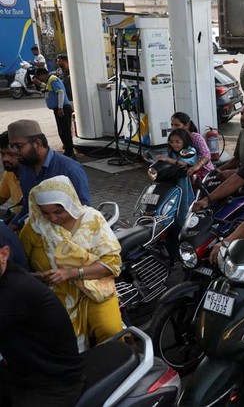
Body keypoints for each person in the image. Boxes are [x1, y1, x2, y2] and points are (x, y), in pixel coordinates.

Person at [20, 176, 124, 352]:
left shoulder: (92, 220)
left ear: (70, 203)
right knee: (58, 339)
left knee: (110, 329)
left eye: (58, 211)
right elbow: (21, 264)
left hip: (96, 288)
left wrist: (71, 273)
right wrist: (36, 277)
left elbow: (112, 264)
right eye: (45, 212)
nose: (52, 218)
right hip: (54, 294)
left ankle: (116, 366)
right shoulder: (35, 227)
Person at [0, 231, 86, 407]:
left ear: (4, 254)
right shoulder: (9, 275)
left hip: (52, 386)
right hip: (21, 373)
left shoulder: (15, 289)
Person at [7, 120, 91, 230]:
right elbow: (29, 209)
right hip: (36, 232)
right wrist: (10, 228)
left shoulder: (70, 169)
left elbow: (83, 211)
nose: (15, 152)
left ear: (37, 144)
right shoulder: (24, 168)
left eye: (18, 146)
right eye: (11, 146)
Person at [158, 128, 198, 227]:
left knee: (183, 204)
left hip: (184, 181)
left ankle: (183, 226)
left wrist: (166, 160)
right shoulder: (171, 152)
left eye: (177, 142)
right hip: (170, 180)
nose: (174, 144)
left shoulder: (190, 150)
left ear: (184, 141)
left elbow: (183, 163)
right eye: (172, 142)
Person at [34, 67, 75, 159]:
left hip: (62, 108)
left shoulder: (52, 79)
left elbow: (60, 92)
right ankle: (68, 149)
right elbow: (48, 88)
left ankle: (69, 152)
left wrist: (60, 108)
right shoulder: (49, 81)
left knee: (65, 131)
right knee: (62, 130)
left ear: (42, 75)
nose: (39, 79)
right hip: (58, 108)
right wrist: (40, 84)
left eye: (38, 77)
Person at [170, 112, 214, 178]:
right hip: (184, 171)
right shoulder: (175, 138)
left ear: (187, 125)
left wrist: (197, 166)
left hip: (203, 172)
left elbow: (206, 155)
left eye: (177, 125)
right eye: (172, 125)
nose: (173, 128)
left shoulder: (196, 137)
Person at [0, 132, 23, 219]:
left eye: (11, 154)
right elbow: (1, 197)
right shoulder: (10, 172)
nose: (5, 159)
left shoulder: (37, 175)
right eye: (2, 154)